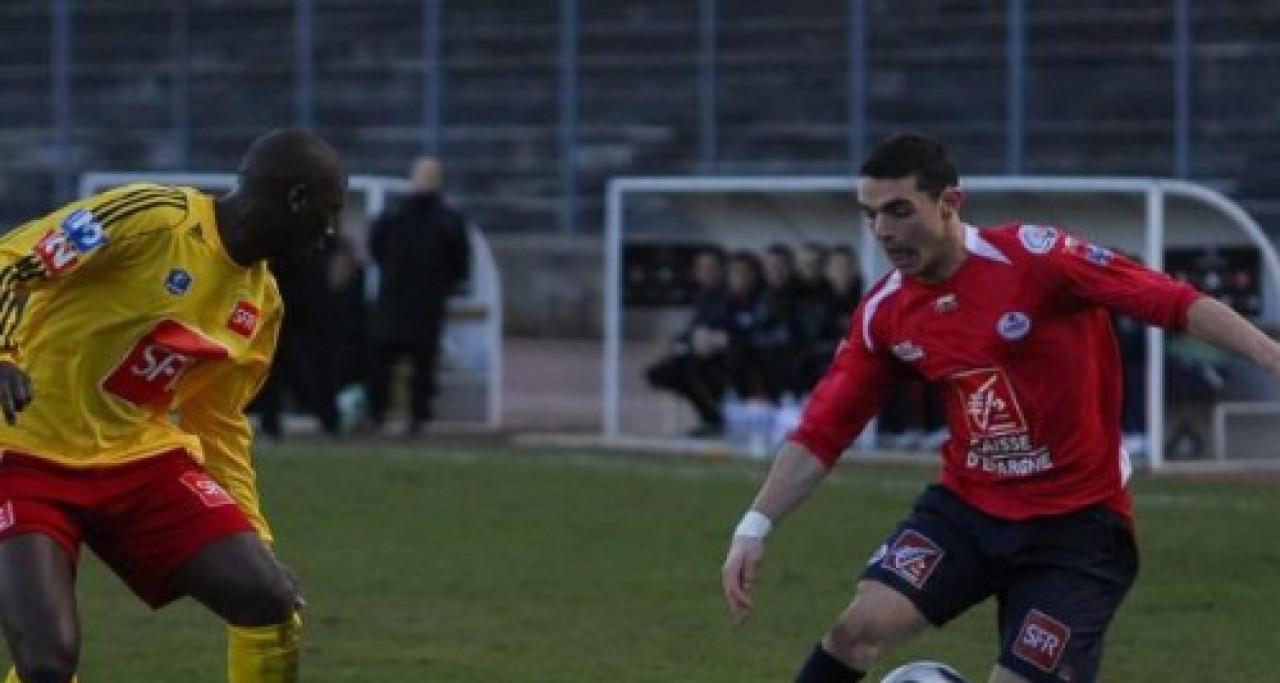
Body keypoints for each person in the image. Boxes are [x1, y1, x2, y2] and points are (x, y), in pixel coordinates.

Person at [719, 133, 1280, 683]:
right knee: (856, 630)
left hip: (1077, 527)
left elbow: (1171, 301)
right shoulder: (886, 312)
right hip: (968, 511)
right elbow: (824, 428)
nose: (884, 231)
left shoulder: (1037, 259)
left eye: (898, 210)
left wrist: (1268, 353)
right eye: (871, 215)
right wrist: (754, 524)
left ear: (949, 204)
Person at [0, 127, 346, 683]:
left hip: (138, 462)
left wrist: (254, 533)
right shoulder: (153, 217)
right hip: (20, 451)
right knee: (47, 663)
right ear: (297, 199)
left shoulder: (261, 302)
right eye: (330, 211)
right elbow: (14, 262)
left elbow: (221, 421)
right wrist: (3, 353)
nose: (330, 232)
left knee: (271, 601)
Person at [366, 156, 471, 436]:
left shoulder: (396, 215)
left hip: (406, 300)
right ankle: (399, 415)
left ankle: (396, 415)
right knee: (405, 363)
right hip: (416, 301)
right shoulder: (439, 218)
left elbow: (376, 248)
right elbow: (460, 264)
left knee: (406, 363)